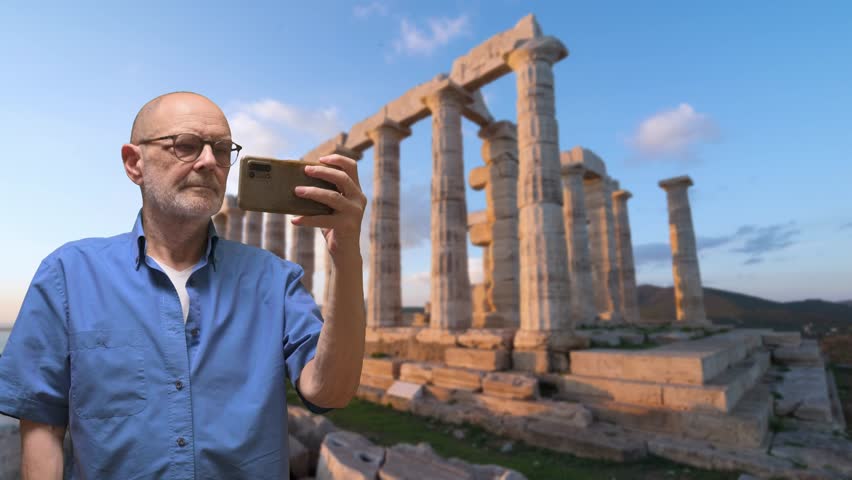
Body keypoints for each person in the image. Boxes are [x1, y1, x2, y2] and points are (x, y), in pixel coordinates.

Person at [0, 91, 367, 479]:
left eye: (223, 150)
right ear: (133, 163)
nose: (209, 161)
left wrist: (347, 257)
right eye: (186, 146)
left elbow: (330, 391)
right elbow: (43, 428)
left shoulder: (274, 279)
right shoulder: (68, 275)